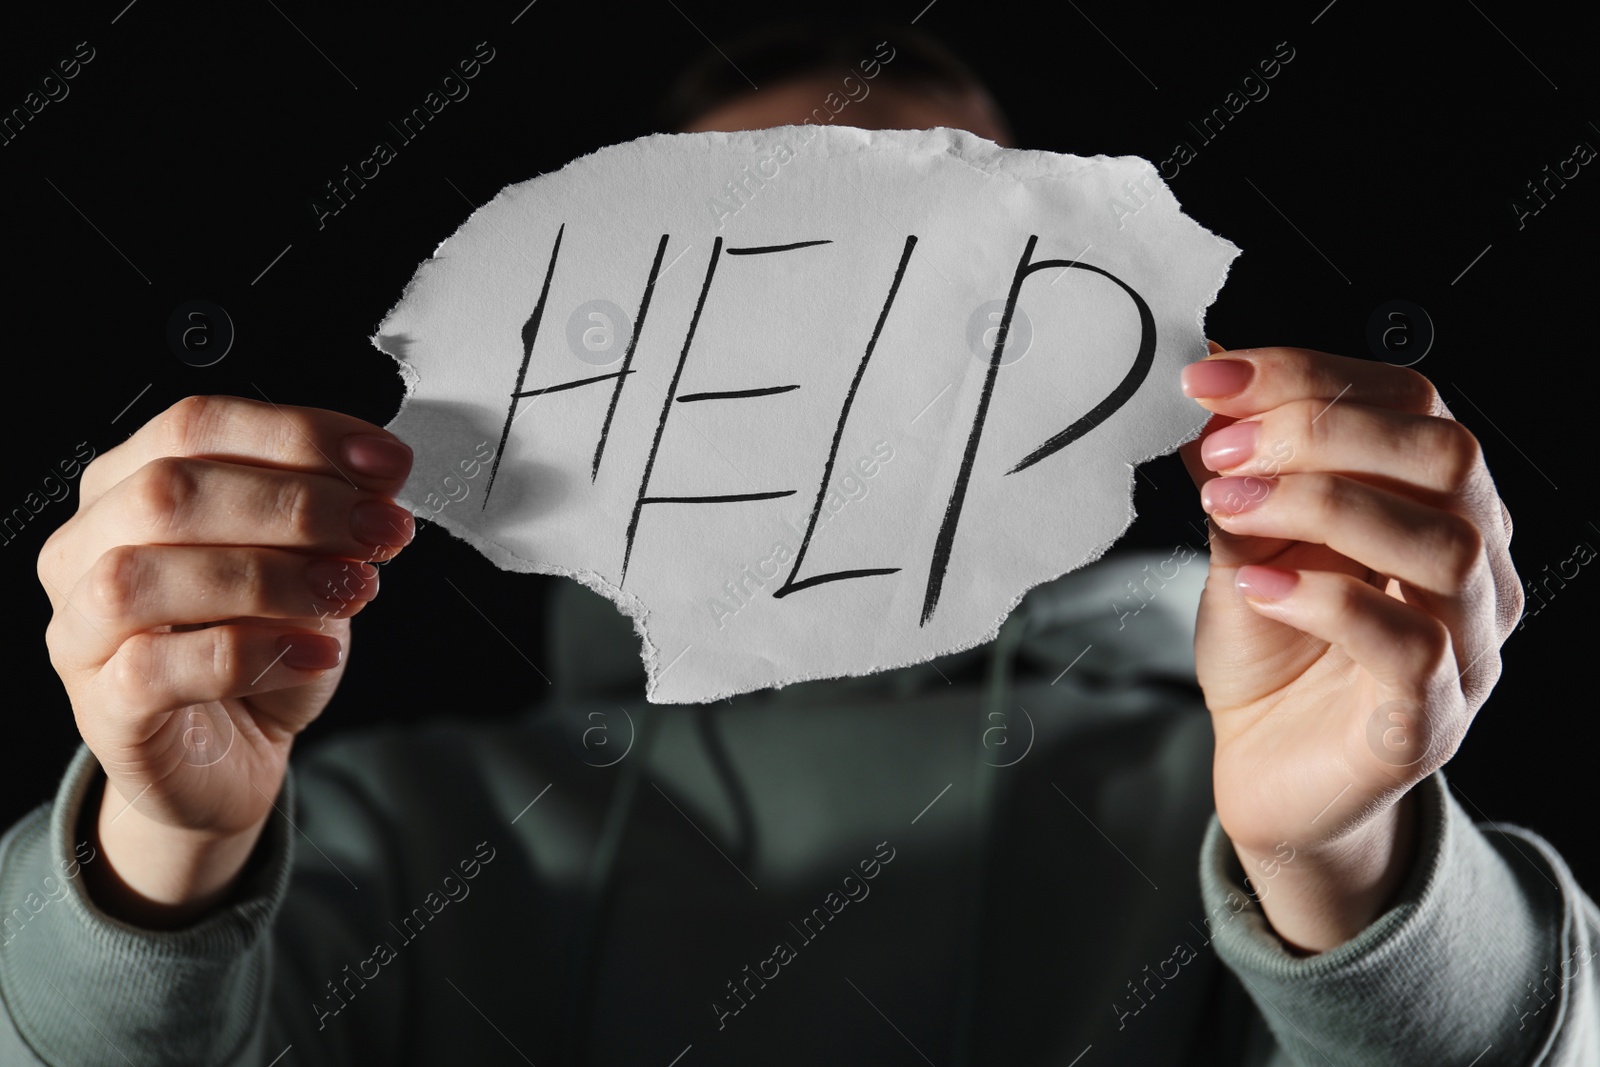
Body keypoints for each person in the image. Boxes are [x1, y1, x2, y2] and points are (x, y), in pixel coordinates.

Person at [2, 23, 1595, 1067]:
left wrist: (1344, 866)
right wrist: (152, 862)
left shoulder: (1227, 799)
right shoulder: (395, 833)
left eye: (956, 281)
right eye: (767, 275)